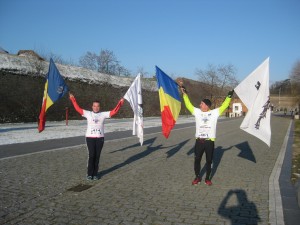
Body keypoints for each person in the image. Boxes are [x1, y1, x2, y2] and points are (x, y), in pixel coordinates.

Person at [180, 87, 233, 186]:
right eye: (200, 103)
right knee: (197, 160)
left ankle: (207, 178)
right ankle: (197, 177)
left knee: (209, 161)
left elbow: (225, 105)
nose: (200, 105)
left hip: (209, 141)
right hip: (199, 141)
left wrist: (229, 95)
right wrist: (184, 94)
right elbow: (188, 104)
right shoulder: (197, 112)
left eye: (202, 103)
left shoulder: (214, 113)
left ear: (207, 106)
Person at [69, 92, 124, 180]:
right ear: (92, 107)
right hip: (90, 138)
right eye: (94, 106)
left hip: (100, 138)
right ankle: (89, 174)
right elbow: (78, 108)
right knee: (91, 155)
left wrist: (120, 103)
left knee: (97, 156)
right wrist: (73, 99)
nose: (96, 107)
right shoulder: (87, 113)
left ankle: (95, 174)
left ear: (99, 107)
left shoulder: (103, 114)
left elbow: (114, 111)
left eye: (97, 106)